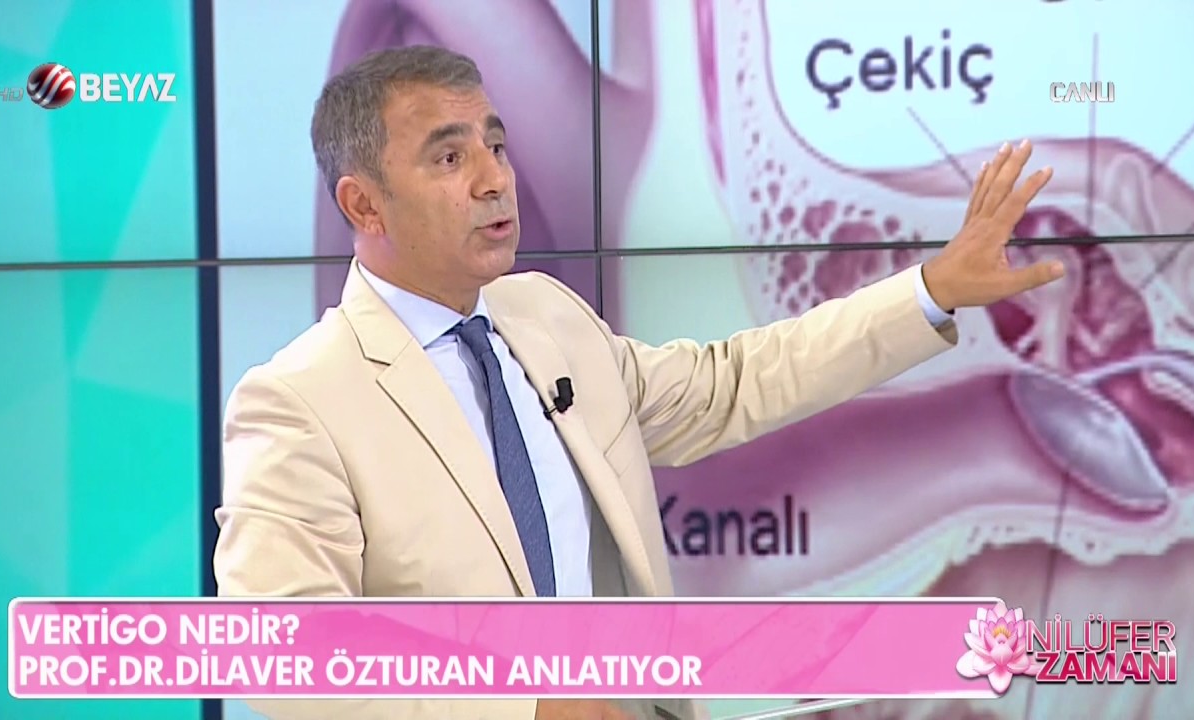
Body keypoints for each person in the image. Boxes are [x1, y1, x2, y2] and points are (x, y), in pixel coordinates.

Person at [212, 45, 1063, 720]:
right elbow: (288, 652)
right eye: (449, 156)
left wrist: (932, 290)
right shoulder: (302, 400)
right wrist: (527, 709)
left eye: (495, 146)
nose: (494, 178)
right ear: (364, 205)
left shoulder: (545, 317)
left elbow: (732, 385)